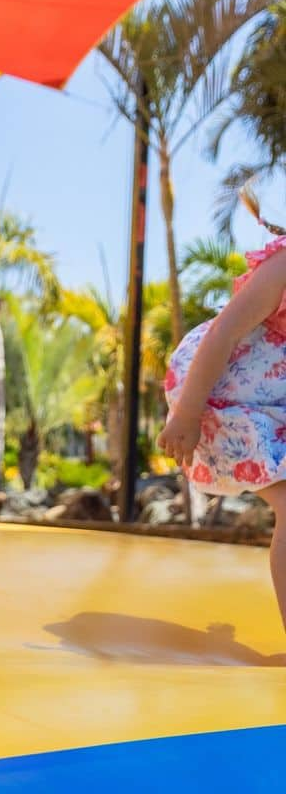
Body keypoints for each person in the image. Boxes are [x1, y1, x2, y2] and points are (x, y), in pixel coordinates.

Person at [160, 181, 286, 631]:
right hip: (222, 395)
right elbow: (223, 334)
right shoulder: (282, 267)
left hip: (273, 405)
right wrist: (189, 414)